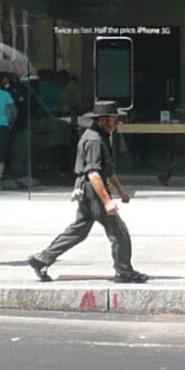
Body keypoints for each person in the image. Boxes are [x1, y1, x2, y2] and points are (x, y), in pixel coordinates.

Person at [27, 100, 147, 283]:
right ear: (103, 120)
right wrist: (107, 202)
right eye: (114, 119)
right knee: (119, 232)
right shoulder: (94, 140)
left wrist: (120, 190)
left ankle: (43, 259)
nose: (117, 123)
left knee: (78, 230)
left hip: (86, 189)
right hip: (92, 190)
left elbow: (107, 170)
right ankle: (124, 271)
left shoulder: (100, 136)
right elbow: (94, 174)